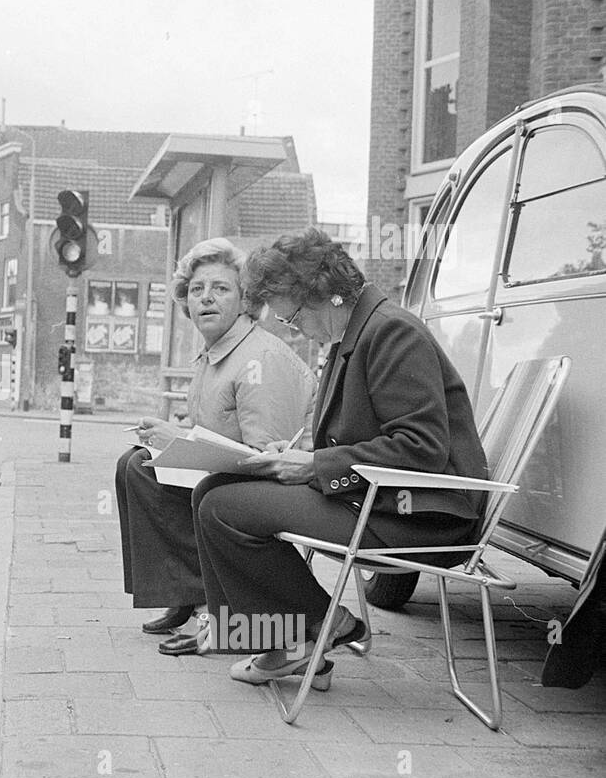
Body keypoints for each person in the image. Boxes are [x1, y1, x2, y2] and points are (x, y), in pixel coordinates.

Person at [191, 226, 488, 687]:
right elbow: (364, 433)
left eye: (293, 319)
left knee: (224, 508)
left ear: (323, 295)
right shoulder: (359, 331)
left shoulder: (391, 333)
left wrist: (315, 467)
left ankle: (309, 631)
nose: (297, 331)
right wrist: (300, 452)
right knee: (213, 489)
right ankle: (294, 637)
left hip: (421, 515)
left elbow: (422, 447)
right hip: (381, 497)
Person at [115, 238, 314, 654]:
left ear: (245, 300)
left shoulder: (260, 358)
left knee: (147, 470)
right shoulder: (217, 354)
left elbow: (271, 459)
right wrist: (172, 438)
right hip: (227, 476)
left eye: (220, 288)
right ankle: (186, 595)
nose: (205, 298)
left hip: (262, 489)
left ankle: (213, 608)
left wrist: (181, 442)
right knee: (135, 463)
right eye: (196, 290)